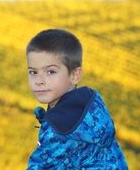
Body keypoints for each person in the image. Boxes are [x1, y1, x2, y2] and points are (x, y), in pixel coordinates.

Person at [26, 29, 128, 169]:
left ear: (75, 75)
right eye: (33, 72)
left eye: (51, 71)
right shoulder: (91, 107)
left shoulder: (60, 128)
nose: (39, 80)